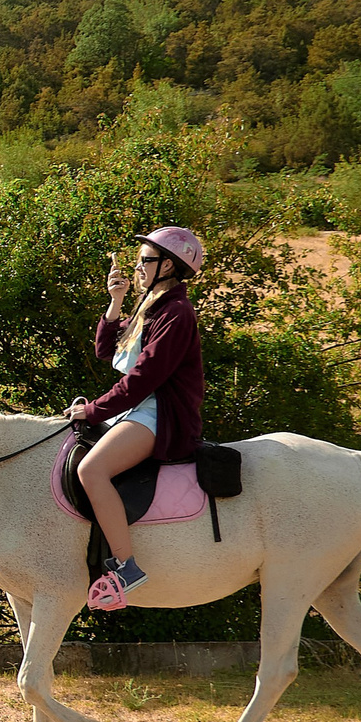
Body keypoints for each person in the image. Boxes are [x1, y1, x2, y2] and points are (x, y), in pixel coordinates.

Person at [64, 226, 207, 610]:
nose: (137, 267)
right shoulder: (152, 305)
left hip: (160, 414)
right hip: (139, 408)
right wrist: (116, 302)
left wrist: (92, 410)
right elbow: (106, 351)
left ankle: (126, 566)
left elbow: (143, 378)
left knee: (92, 470)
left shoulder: (176, 313)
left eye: (145, 261)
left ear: (168, 266)